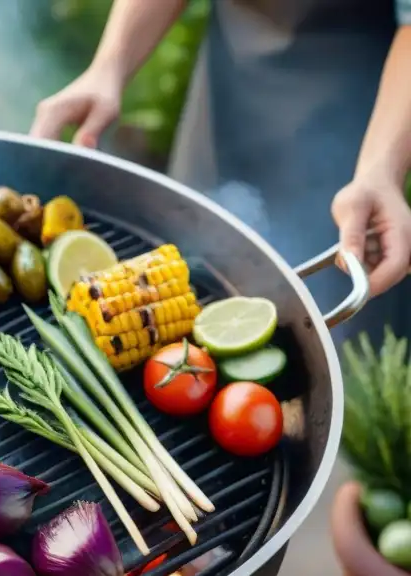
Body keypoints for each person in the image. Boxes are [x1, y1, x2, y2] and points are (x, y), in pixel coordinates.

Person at [31, 0, 411, 343]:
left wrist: (382, 169)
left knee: (321, 332)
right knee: (190, 265)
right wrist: (108, 67)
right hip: (225, 92)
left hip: (351, 129)